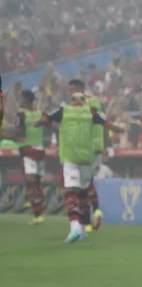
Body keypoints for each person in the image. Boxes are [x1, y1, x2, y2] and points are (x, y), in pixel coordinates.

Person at [35, 92, 124, 243]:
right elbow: (109, 125)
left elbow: (45, 119)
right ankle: (82, 229)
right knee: (83, 192)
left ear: (71, 100)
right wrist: (120, 130)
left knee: (70, 191)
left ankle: (74, 227)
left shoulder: (65, 110)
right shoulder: (91, 112)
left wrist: (36, 123)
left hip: (70, 156)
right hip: (87, 157)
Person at [67, 79, 104, 232]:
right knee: (85, 183)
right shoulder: (87, 102)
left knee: (85, 184)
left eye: (72, 89)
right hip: (88, 147)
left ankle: (94, 212)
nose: (70, 93)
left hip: (90, 147)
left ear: (81, 88)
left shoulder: (90, 101)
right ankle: (87, 220)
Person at [13, 90, 46, 225]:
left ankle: (37, 214)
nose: (20, 101)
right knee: (36, 182)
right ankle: (35, 202)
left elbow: (18, 132)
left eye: (21, 99)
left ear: (26, 101)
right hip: (40, 151)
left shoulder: (21, 114)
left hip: (28, 151)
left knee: (31, 182)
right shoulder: (40, 113)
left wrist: (7, 134)